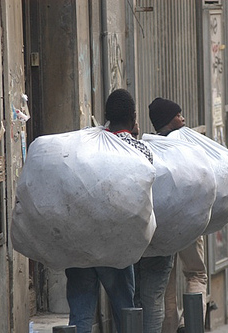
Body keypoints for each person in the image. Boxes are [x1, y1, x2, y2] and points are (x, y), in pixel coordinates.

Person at [65, 89, 153, 333]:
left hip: (79, 243)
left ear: (106, 116)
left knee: (79, 317)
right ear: (134, 117)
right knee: (125, 312)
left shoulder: (87, 144)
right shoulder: (141, 150)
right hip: (116, 245)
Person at [144, 97, 208, 333]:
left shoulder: (149, 147)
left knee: (166, 284)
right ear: (170, 120)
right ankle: (189, 325)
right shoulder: (186, 146)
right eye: (179, 115)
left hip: (160, 226)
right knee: (196, 274)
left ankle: (170, 328)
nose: (183, 119)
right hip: (189, 223)